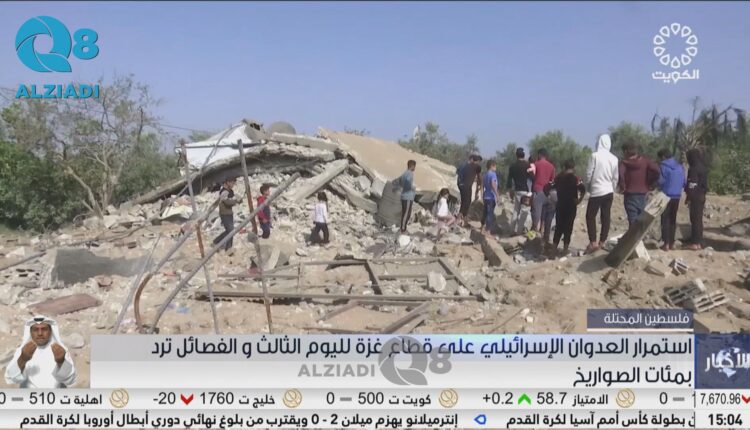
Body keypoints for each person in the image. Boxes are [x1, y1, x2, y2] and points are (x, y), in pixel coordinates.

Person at [5, 316, 76, 388]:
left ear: (50, 331)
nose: (40, 333)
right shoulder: (22, 351)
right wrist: (23, 359)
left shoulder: (61, 350)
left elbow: (70, 380)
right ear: (30, 332)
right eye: (36, 330)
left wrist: (61, 362)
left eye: (44, 329)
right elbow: (11, 378)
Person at [584, 134, 619, 253]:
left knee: (590, 216)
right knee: (606, 216)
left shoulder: (594, 156)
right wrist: (612, 188)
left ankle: (593, 242)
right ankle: (602, 241)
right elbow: (615, 177)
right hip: (608, 191)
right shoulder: (614, 158)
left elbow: (589, 173)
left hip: (596, 191)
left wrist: (588, 187)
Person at [548, 160, 586, 255]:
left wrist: (552, 200)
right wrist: (579, 200)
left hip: (560, 205)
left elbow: (547, 187)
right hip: (571, 206)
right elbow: (583, 189)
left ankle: (554, 249)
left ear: (564, 167)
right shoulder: (576, 178)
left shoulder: (558, 178)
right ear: (573, 168)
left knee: (558, 227)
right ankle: (565, 250)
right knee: (568, 227)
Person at [618, 141, 660, 225]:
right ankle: (639, 233)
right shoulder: (645, 161)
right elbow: (657, 170)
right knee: (641, 221)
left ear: (626, 151)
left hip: (630, 195)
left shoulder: (624, 163)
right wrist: (651, 184)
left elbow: (620, 175)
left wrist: (622, 187)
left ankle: (634, 233)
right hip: (643, 194)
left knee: (632, 221)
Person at [657, 149, 686, 251]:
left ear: (663, 157)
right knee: (673, 220)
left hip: (666, 196)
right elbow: (684, 182)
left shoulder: (663, 166)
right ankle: (672, 243)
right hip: (677, 196)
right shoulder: (680, 167)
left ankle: (666, 244)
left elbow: (660, 181)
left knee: (665, 219)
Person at [685, 148, 708, 250]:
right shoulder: (703, 167)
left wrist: (688, 196)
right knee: (699, 219)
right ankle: (699, 242)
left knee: (694, 219)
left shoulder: (693, 169)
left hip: (695, 196)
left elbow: (692, 184)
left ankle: (695, 243)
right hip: (702, 195)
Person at [212, 177, 243, 252]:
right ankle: (228, 248)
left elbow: (231, 200)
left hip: (229, 213)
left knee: (229, 230)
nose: (233, 185)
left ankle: (216, 242)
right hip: (224, 213)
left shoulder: (230, 191)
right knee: (231, 231)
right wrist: (236, 201)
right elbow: (227, 202)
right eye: (232, 183)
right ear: (228, 182)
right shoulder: (224, 192)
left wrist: (238, 200)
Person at [507, 148, 532, 235]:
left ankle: (511, 230)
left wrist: (510, 190)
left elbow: (509, 180)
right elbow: (532, 177)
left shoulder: (512, 166)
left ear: (516, 155)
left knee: (516, 210)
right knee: (524, 211)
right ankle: (519, 231)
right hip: (525, 191)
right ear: (524, 155)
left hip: (517, 190)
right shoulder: (527, 165)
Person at [531, 149, 556, 233]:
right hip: (547, 192)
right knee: (545, 212)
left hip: (538, 190)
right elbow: (552, 181)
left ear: (539, 155)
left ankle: (534, 230)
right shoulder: (551, 166)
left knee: (536, 212)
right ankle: (542, 230)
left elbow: (532, 177)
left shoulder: (535, 164)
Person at [456, 154, 482, 225]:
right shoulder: (477, 167)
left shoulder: (465, 165)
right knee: (467, 202)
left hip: (460, 185)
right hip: (467, 186)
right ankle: (460, 217)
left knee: (464, 201)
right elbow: (479, 177)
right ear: (477, 161)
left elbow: (458, 173)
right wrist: (479, 186)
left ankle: (463, 217)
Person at [395, 160, 417, 234]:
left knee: (406, 213)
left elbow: (400, 182)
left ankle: (403, 228)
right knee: (406, 214)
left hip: (405, 196)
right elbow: (407, 182)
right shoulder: (409, 173)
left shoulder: (404, 173)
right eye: (414, 166)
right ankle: (403, 229)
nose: (415, 168)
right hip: (407, 197)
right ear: (412, 166)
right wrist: (412, 188)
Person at [482, 160, 500, 235]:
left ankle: (482, 226)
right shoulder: (493, 174)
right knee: (490, 213)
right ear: (492, 166)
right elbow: (493, 184)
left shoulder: (485, 174)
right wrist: (497, 195)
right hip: (491, 196)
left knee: (485, 212)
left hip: (486, 195)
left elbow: (483, 185)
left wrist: (482, 195)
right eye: (495, 166)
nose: (496, 168)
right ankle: (488, 230)